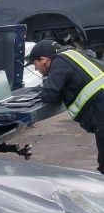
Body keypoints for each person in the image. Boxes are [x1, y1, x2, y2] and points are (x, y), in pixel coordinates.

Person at [29, 39, 104, 174]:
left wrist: (37, 92)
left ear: (44, 60)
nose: (35, 69)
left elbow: (50, 94)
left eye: (35, 64)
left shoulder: (59, 63)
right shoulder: (73, 55)